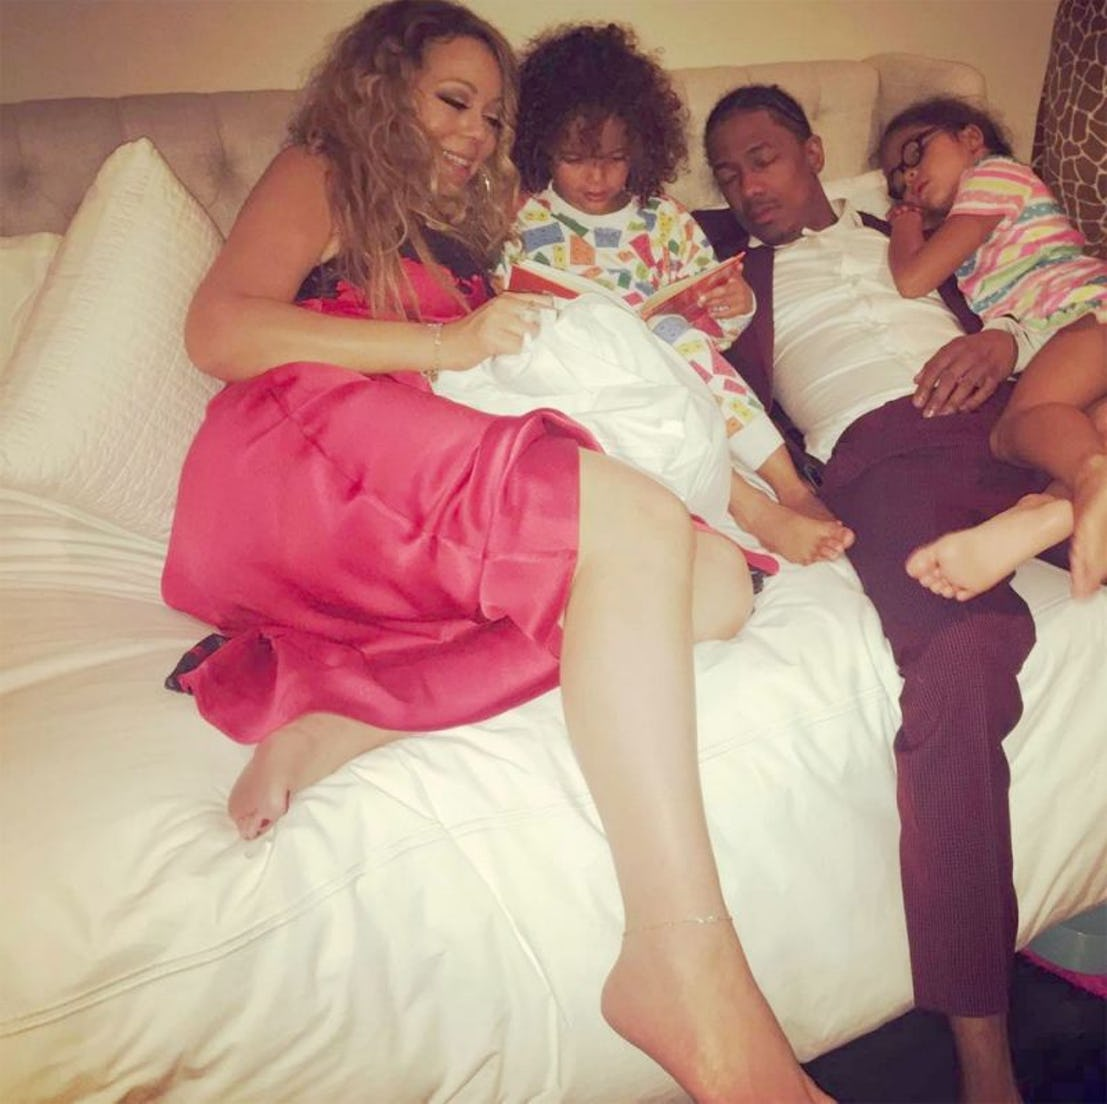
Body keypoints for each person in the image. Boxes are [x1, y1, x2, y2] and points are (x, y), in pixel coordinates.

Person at [161, 5, 832, 1101]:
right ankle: (678, 954)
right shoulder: (323, 170)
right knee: (642, 527)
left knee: (714, 585)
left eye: (493, 115)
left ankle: (361, 714)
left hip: (420, 461)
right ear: (383, 87)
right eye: (452, 101)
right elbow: (218, 330)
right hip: (307, 448)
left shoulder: (477, 228)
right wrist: (447, 338)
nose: (476, 132)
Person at [702, 82, 1064, 1104]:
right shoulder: (725, 277)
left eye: (764, 157)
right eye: (727, 173)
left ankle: (1060, 503)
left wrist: (1008, 337)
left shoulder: (929, 221)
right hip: (888, 455)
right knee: (959, 653)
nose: (746, 185)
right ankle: (984, 1058)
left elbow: (1047, 283)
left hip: (1019, 411)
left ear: (814, 152)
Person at [500, 21, 853, 566]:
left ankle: (790, 487)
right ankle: (749, 508)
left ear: (640, 147)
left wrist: (736, 304)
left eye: (614, 158)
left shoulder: (663, 218)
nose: (597, 177)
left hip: (672, 368)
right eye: (575, 158)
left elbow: (712, 319)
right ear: (542, 147)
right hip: (588, 375)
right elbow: (506, 304)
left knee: (674, 336)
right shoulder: (524, 217)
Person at [876, 96, 1107, 601]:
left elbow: (913, 277)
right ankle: (1047, 514)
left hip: (1083, 309)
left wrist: (904, 222)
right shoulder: (980, 227)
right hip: (1070, 320)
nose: (908, 178)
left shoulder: (993, 177)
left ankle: (1090, 477)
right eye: (897, 182)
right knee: (1094, 425)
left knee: (1020, 426)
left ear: (971, 137)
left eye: (915, 153)